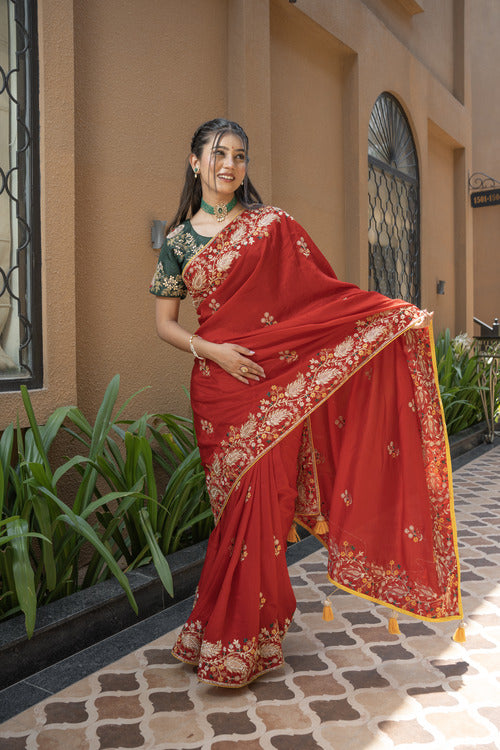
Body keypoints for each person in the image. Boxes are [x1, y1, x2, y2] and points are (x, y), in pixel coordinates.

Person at [150, 118, 463, 688]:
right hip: (219, 389)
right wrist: (214, 351)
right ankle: (222, 627)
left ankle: (246, 637)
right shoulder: (176, 244)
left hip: (276, 383)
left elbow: (321, 300)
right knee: (233, 512)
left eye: (240, 156)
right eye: (218, 154)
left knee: (266, 505)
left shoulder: (272, 227)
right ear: (195, 162)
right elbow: (165, 326)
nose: (230, 165)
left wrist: (387, 316)